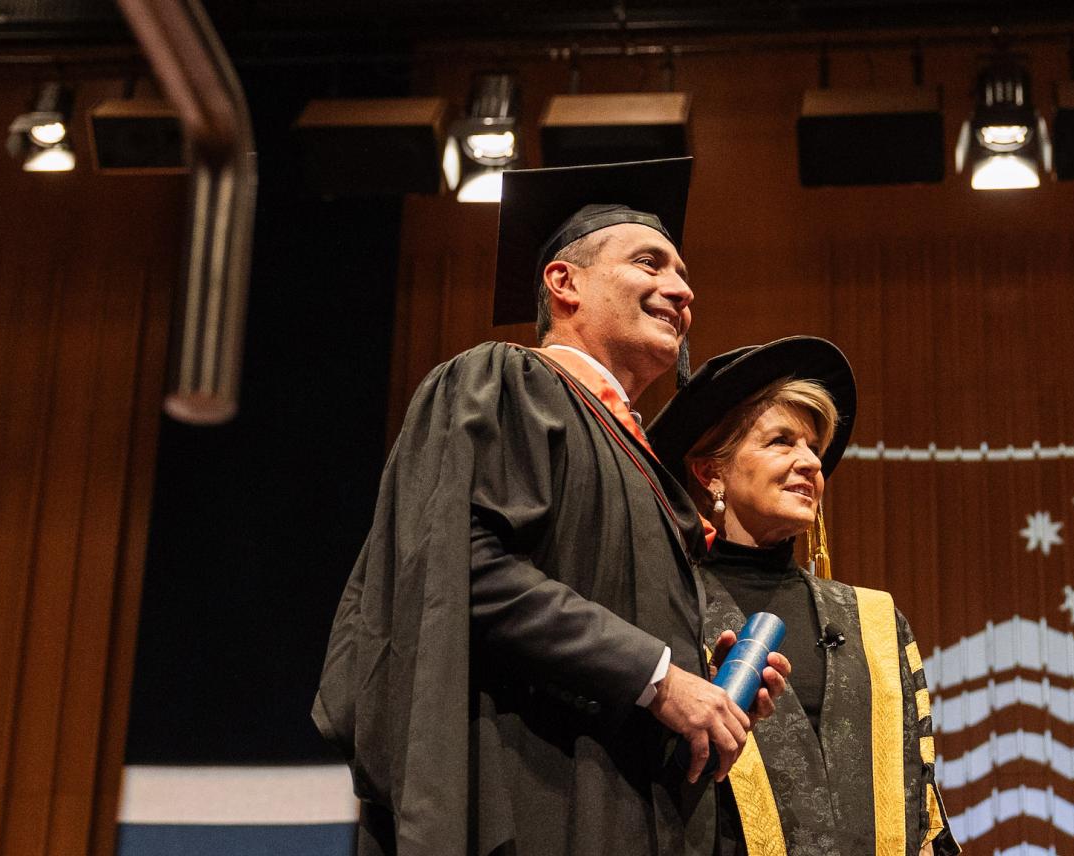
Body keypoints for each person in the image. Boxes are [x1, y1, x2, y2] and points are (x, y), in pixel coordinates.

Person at [312, 158, 787, 856]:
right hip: (535, 795)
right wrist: (659, 677)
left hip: (624, 805)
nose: (681, 290)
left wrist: (698, 677)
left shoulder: (639, 461)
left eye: (684, 275)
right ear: (564, 283)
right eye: (650, 263)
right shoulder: (508, 382)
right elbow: (464, 570)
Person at [649, 336, 961, 856]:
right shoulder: (668, 602)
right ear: (710, 472)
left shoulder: (874, 621)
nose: (812, 464)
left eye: (814, 449)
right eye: (781, 442)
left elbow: (921, 799)